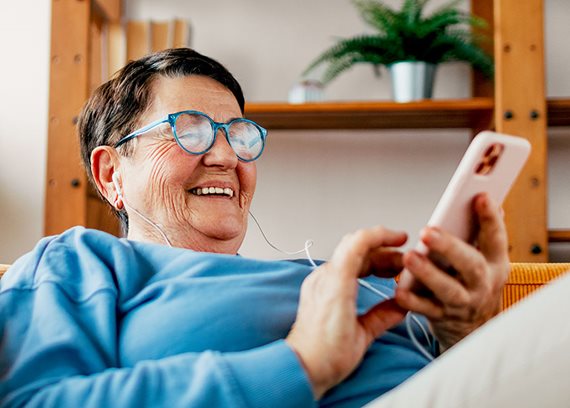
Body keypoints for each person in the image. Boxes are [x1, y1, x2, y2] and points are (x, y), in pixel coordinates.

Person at [0, 48, 511, 407]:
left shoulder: (336, 277)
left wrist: (460, 331)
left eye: (240, 135)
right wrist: (302, 363)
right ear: (111, 173)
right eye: (191, 130)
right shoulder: (76, 264)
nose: (225, 156)